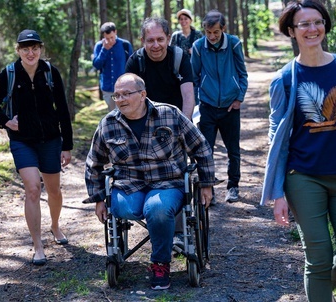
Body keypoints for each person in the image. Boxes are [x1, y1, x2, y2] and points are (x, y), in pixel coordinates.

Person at [85, 73, 215, 290]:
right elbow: (93, 163)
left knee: (156, 209)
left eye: (127, 94)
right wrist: (98, 198)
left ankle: (160, 263)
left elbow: (200, 146)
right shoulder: (108, 124)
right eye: (117, 95)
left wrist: (206, 183)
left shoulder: (169, 114)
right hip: (129, 184)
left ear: (143, 94)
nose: (121, 99)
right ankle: (128, 247)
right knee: (122, 208)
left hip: (167, 183)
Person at [261, 0, 336, 300]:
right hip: (304, 176)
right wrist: (277, 191)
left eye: (317, 21)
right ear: (292, 31)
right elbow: (277, 136)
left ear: (325, 25)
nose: (312, 29)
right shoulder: (285, 78)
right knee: (318, 256)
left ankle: (323, 279)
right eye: (304, 24)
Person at [0, 29, 73, 266]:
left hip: (51, 139)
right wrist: (6, 121)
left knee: (53, 190)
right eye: (26, 48)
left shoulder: (50, 72)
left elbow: (63, 109)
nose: (31, 52)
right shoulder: (10, 74)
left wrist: (67, 145)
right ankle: (37, 246)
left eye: (35, 48)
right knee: (33, 189)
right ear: (18, 50)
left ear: (40, 49)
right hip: (22, 140)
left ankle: (55, 226)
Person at [191, 10, 248, 203]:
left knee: (233, 150)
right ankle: (209, 191)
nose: (212, 36)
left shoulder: (234, 44)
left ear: (223, 29)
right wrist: (199, 103)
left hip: (230, 107)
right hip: (207, 107)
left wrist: (239, 97)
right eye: (208, 32)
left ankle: (233, 187)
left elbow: (242, 74)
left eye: (215, 32)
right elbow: (194, 77)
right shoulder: (198, 47)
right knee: (206, 151)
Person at [125, 17, 195, 120]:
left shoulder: (179, 57)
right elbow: (127, 97)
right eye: (150, 40)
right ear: (142, 41)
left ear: (168, 39)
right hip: (146, 121)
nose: (156, 45)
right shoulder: (135, 61)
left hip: (177, 118)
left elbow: (188, 94)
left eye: (160, 39)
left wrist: (185, 124)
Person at [93, 22, 133, 111]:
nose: (110, 40)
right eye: (107, 38)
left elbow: (131, 66)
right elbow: (97, 65)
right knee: (113, 112)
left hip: (124, 88)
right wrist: (104, 50)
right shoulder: (99, 46)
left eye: (112, 37)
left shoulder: (125, 45)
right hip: (109, 89)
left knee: (124, 112)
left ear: (115, 32)